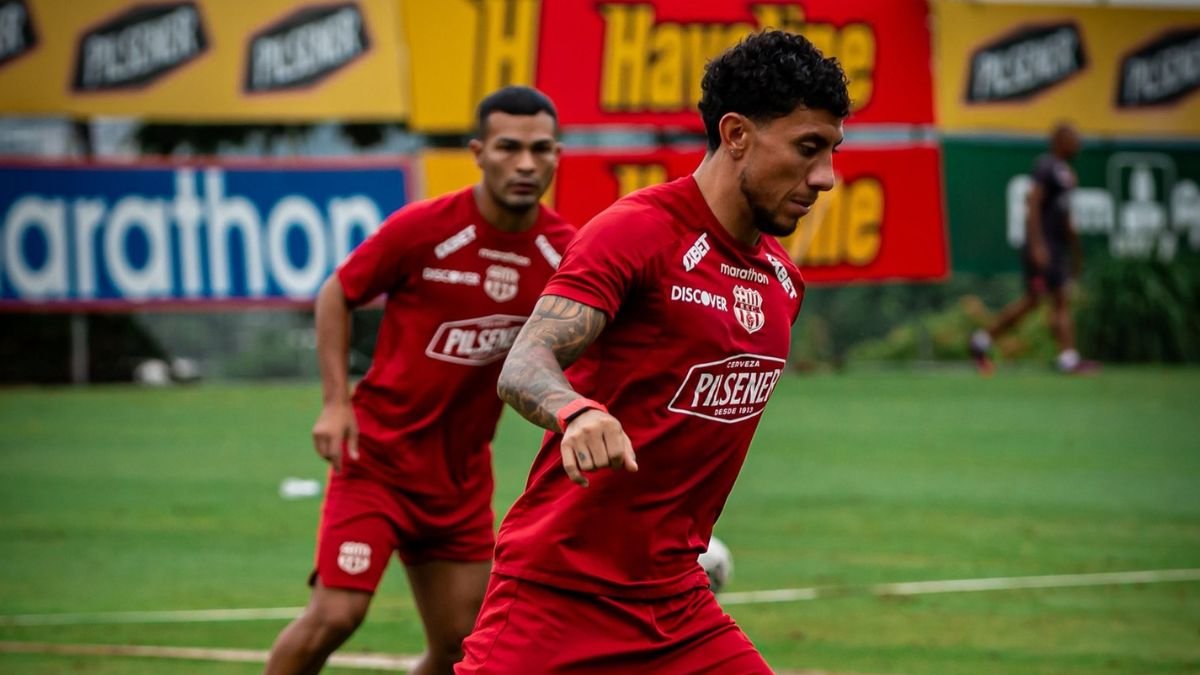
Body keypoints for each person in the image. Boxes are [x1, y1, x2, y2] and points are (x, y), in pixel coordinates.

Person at [455, 31, 848, 673]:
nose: (826, 177)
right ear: (737, 134)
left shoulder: (784, 280)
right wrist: (576, 412)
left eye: (832, 151)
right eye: (808, 148)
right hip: (558, 596)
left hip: (676, 605)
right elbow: (524, 361)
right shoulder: (637, 232)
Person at [265, 86, 576, 675]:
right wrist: (336, 403)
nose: (527, 164)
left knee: (462, 645)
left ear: (558, 155)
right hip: (377, 462)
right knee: (336, 615)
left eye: (542, 150)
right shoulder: (425, 229)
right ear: (478, 152)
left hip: (459, 481)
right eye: (509, 148)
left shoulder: (564, 251)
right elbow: (338, 292)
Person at [970, 123, 1096, 375]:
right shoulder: (1046, 166)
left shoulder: (1066, 173)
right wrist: (1037, 245)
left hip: (1057, 247)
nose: (1078, 143)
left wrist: (1075, 250)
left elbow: (1066, 217)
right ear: (1059, 141)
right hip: (1043, 247)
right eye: (1073, 138)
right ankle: (983, 340)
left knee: (1052, 299)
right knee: (1037, 300)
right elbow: (1033, 205)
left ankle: (983, 340)